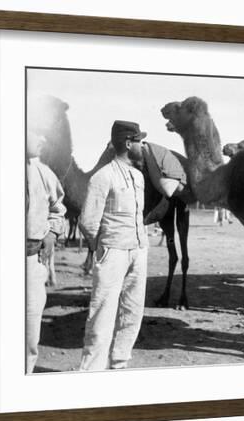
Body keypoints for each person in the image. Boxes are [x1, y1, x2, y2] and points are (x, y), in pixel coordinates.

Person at [78, 120, 149, 371]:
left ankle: (119, 363)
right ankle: (91, 371)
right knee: (102, 313)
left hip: (138, 252)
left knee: (132, 311)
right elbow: (87, 221)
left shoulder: (139, 177)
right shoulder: (103, 176)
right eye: (139, 141)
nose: (143, 145)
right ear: (129, 144)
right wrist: (103, 248)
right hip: (113, 252)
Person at [26, 130, 66, 374]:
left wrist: (52, 232)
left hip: (31, 261)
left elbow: (57, 209)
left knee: (29, 334)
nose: (42, 140)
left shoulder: (43, 172)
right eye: (35, 133)